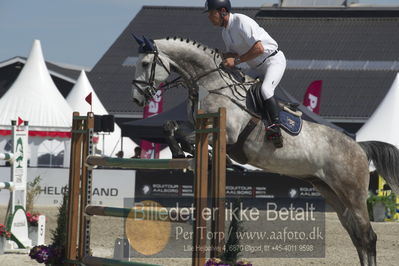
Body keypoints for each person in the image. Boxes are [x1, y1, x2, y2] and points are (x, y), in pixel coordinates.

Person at [204, 0, 286, 147]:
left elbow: (259, 49)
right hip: (256, 67)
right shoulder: (225, 32)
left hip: (273, 61)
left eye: (211, 13)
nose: (209, 17)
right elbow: (232, 54)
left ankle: (276, 128)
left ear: (223, 11)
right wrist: (216, 55)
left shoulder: (241, 21)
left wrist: (235, 61)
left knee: (265, 90)